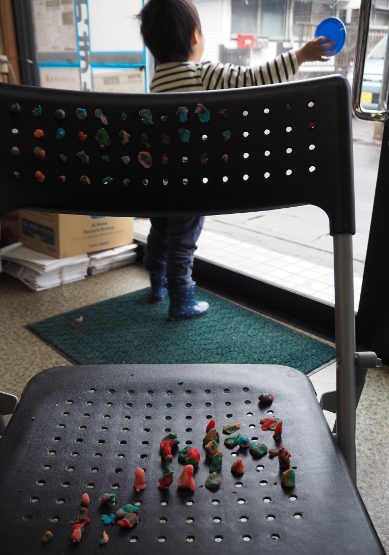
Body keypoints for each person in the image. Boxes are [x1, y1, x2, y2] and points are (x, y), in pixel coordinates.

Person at [138, 0, 334, 320]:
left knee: (160, 233)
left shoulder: (155, 84)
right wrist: (300, 55)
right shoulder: (204, 74)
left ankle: (156, 285)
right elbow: (255, 78)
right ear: (195, 37)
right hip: (190, 183)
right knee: (182, 241)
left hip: (159, 183)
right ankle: (181, 299)